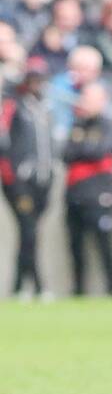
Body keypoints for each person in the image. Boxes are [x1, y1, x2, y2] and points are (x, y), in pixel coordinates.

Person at [0, 56, 54, 296]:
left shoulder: (44, 108)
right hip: (20, 181)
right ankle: (36, 287)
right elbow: (5, 143)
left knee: (31, 233)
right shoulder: (14, 105)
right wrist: (13, 178)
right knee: (28, 229)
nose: (36, 83)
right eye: (32, 78)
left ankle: (20, 286)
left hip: (42, 181)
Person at [63, 81, 112, 296]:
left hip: (99, 194)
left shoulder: (107, 125)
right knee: (75, 245)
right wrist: (84, 149)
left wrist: (82, 149)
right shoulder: (77, 124)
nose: (86, 103)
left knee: (104, 243)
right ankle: (78, 290)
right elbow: (66, 154)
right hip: (75, 193)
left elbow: (100, 150)